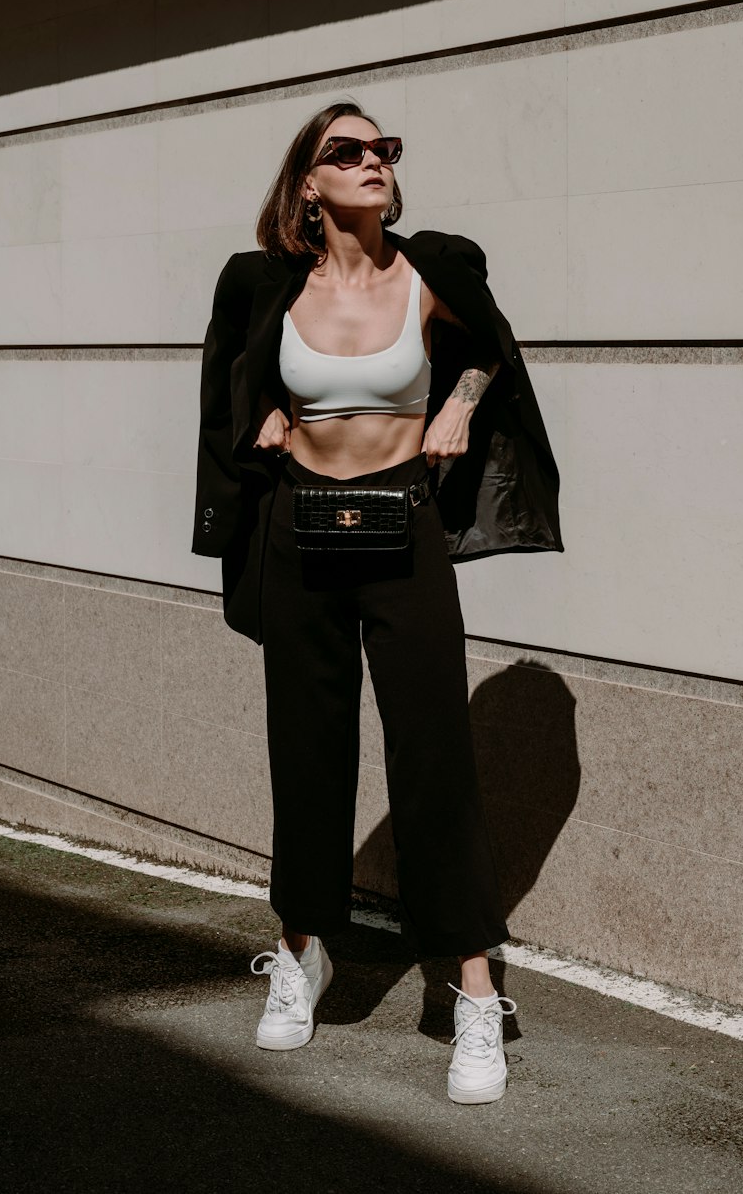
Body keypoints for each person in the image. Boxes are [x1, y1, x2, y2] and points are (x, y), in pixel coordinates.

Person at [191, 100, 563, 1104]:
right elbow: (224, 385)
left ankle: (473, 990)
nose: (370, 163)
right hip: (295, 536)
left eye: (381, 150)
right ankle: (302, 953)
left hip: (403, 530)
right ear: (306, 184)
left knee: (433, 754)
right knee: (306, 750)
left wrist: (458, 401)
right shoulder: (263, 282)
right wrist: (264, 409)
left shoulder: (433, 270)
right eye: (344, 152)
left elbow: (493, 350)